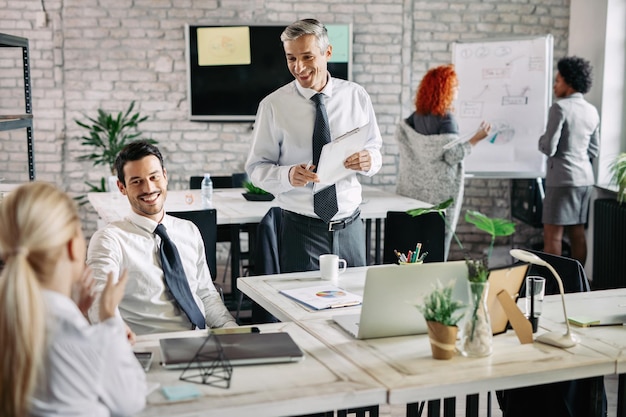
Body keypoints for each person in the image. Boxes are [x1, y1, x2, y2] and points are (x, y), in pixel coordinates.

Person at [245, 18, 382, 273]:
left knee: (354, 306)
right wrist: (287, 175)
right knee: (300, 308)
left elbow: (375, 149)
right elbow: (256, 168)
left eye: (307, 57)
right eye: (291, 59)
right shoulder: (273, 106)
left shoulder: (356, 96)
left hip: (350, 227)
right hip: (301, 230)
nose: (299, 67)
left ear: (327, 52)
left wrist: (369, 160)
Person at [0, 182, 146, 417]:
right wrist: (109, 322)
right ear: (72, 247)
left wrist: (76, 312)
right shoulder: (87, 341)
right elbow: (132, 401)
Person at [87, 141, 237, 335]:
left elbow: (205, 294)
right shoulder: (109, 240)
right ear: (121, 187)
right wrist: (117, 337)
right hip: (153, 345)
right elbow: (100, 300)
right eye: (136, 181)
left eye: (154, 177)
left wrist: (231, 329)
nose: (148, 188)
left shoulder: (189, 230)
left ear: (165, 177)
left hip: (203, 340)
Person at [394, 64, 491, 259]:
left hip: (413, 194)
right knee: (435, 249)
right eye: (455, 87)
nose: (458, 91)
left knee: (412, 249)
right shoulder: (446, 120)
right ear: (444, 89)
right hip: (439, 198)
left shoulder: (414, 118)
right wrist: (476, 138)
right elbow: (451, 155)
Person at [539, 56, 599, 267]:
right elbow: (594, 149)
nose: (555, 86)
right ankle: (577, 284)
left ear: (569, 82)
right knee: (577, 233)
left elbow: (548, 147)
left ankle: (556, 287)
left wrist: (540, 139)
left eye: (558, 81)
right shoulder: (592, 111)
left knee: (553, 237)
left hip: (561, 180)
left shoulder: (560, 108)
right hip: (584, 181)